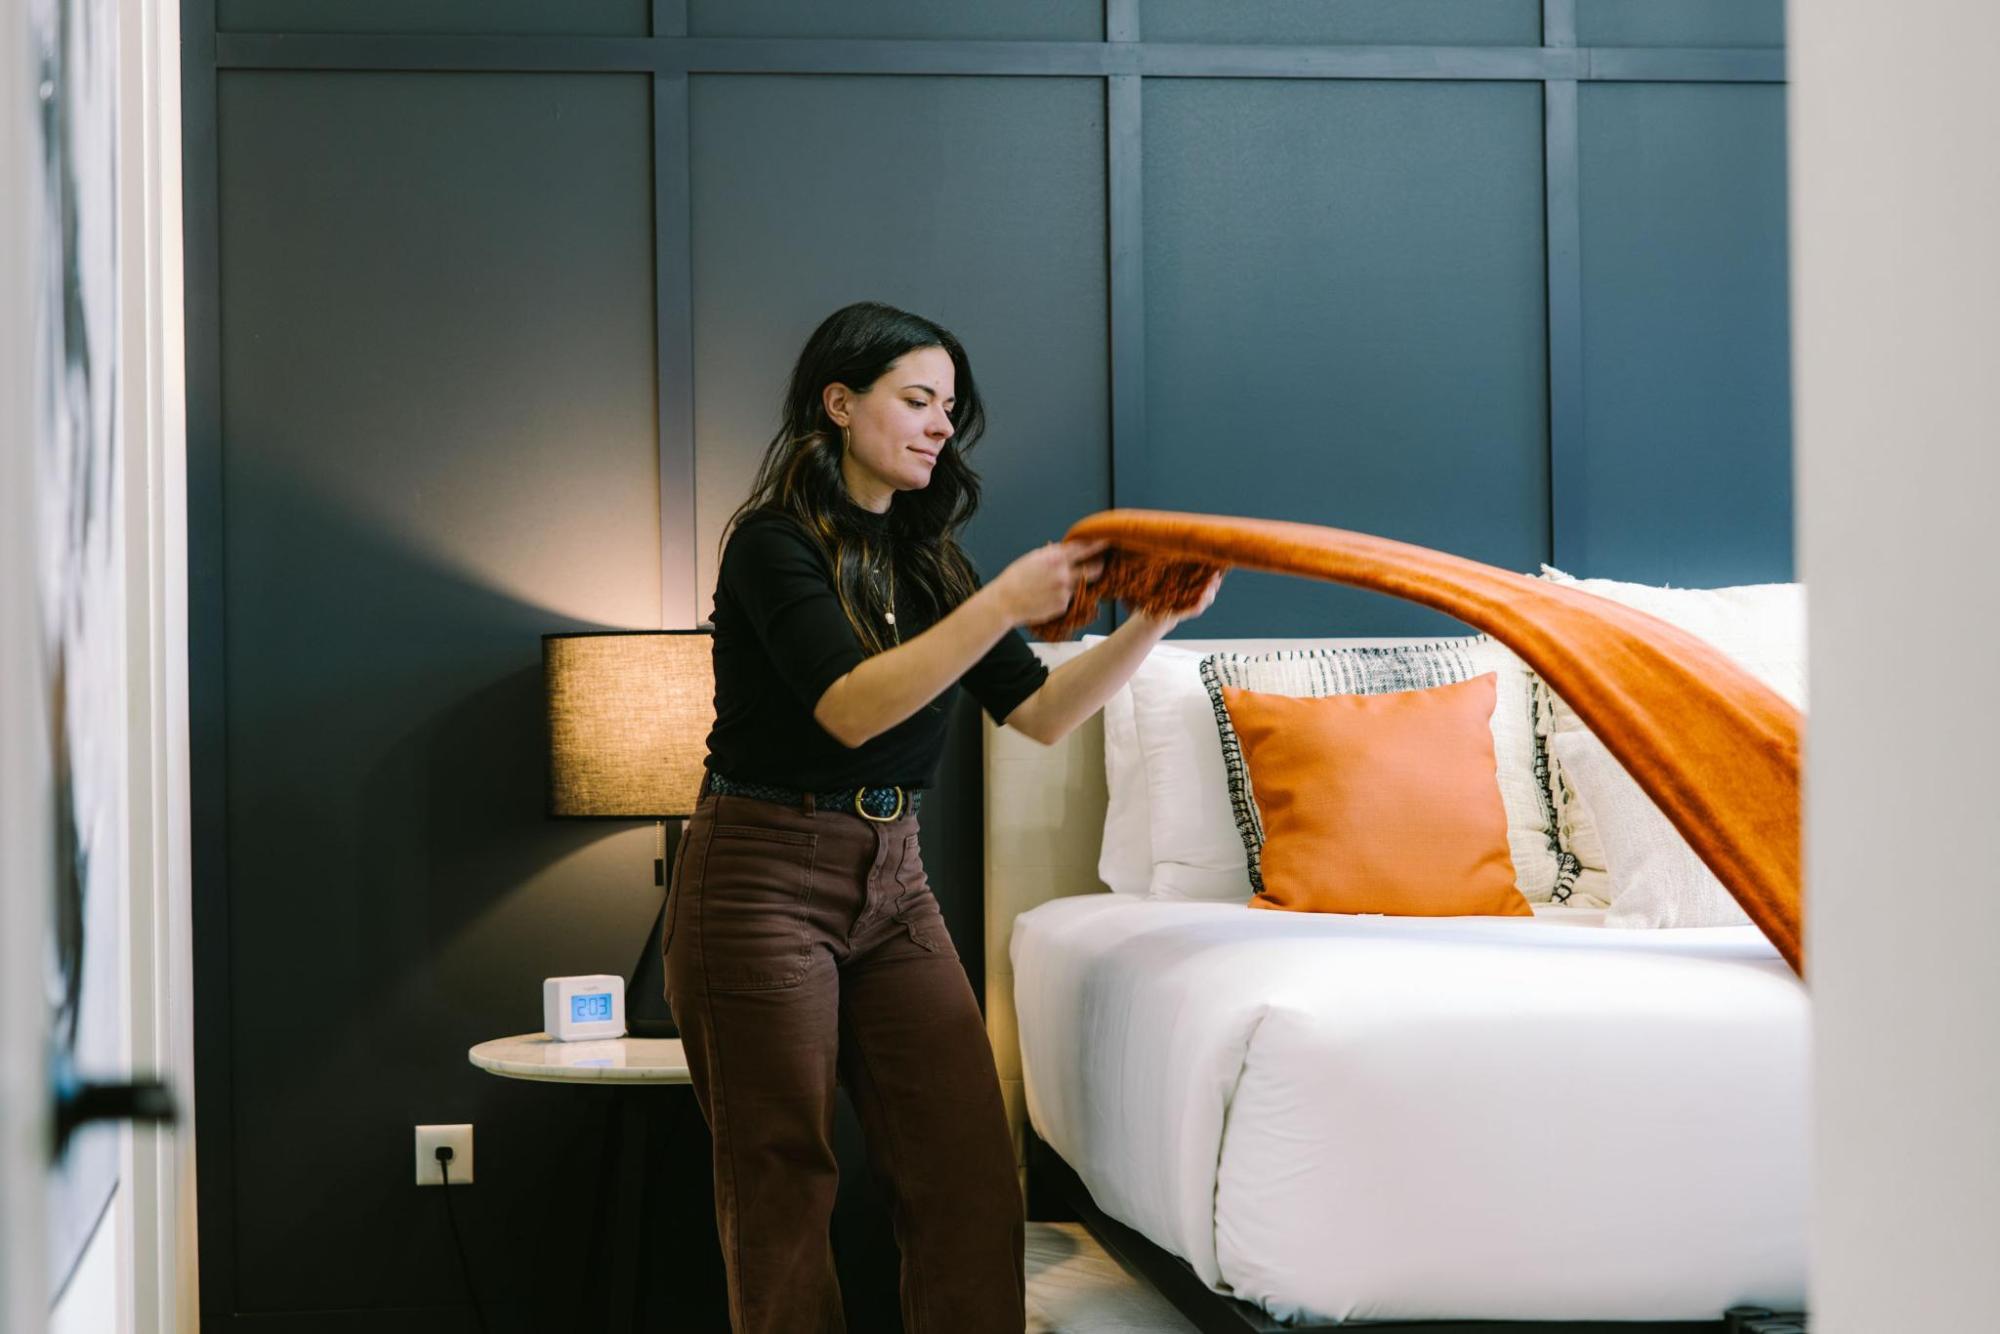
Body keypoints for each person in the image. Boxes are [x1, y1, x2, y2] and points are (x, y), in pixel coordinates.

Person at [664, 300, 1221, 1334]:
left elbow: (1043, 711)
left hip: (894, 876)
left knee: (967, 1171)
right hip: (760, 874)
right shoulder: (769, 543)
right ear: (839, 402)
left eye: (947, 409)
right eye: (915, 400)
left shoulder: (928, 557)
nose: (936, 426)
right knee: (782, 1181)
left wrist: (1154, 620)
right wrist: (1005, 601)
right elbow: (849, 706)